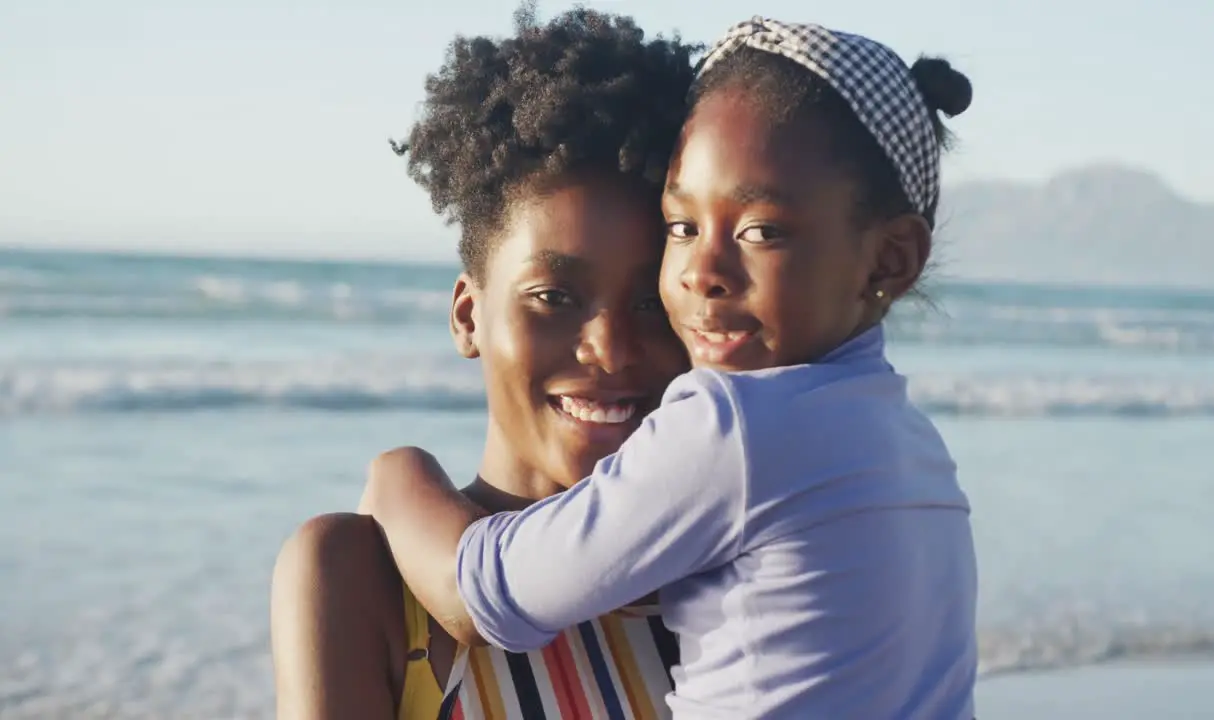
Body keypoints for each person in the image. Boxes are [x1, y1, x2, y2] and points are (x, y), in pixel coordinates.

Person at [364, 16, 979, 719]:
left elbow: (483, 591)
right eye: (682, 228)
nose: (701, 272)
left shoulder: (734, 427)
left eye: (761, 231)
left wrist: (397, 478)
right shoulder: (916, 448)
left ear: (891, 258)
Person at [269, 6, 696, 718]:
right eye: (554, 296)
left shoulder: (743, 574)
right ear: (470, 315)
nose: (613, 347)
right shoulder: (365, 579)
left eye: (653, 302)